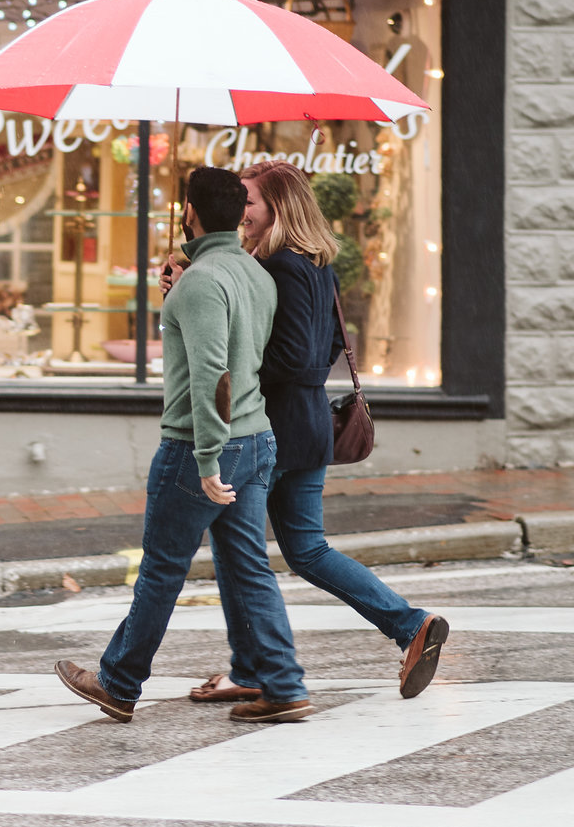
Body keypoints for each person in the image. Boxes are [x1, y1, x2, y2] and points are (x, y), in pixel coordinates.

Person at [180, 160, 449, 702]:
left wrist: (237, 354)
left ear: (278, 207)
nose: (241, 213)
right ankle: (409, 625)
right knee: (303, 549)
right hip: (304, 424)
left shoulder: (282, 266)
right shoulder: (314, 264)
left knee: (240, 550)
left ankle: (259, 670)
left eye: (250, 202)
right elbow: (324, 350)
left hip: (271, 428)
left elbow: (299, 357)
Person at [55, 165, 315, 726]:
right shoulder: (252, 273)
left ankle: (119, 683)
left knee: (162, 569)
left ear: (189, 212)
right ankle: (284, 684)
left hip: (204, 445)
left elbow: (210, 376)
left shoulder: (203, 281)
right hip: (256, 439)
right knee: (248, 568)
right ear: (237, 214)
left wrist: (204, 458)